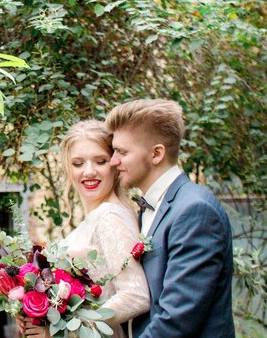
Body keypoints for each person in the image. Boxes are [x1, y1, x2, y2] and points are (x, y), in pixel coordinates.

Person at [105, 99, 235, 338]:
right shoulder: (148, 208)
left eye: (122, 152)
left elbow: (177, 321)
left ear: (156, 154)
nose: (114, 161)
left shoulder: (194, 211)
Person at [17, 120, 150, 338]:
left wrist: (64, 328)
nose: (89, 172)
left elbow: (136, 296)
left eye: (100, 161)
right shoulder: (96, 217)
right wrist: (33, 310)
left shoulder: (110, 217)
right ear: (68, 168)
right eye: (78, 163)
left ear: (115, 165)